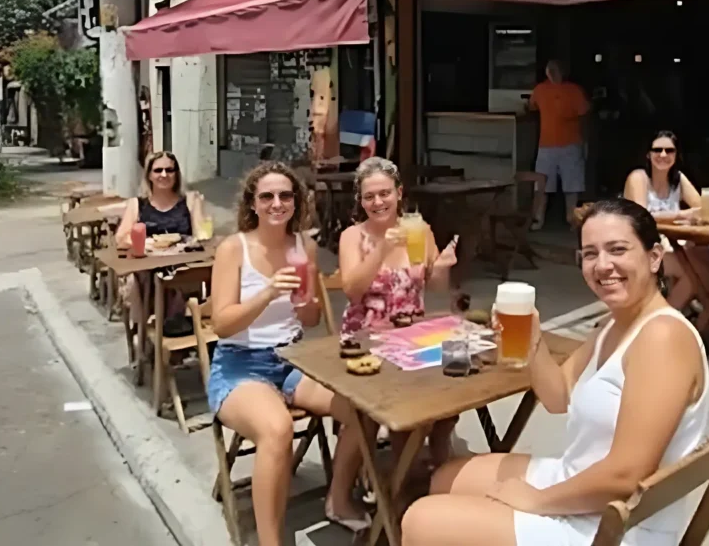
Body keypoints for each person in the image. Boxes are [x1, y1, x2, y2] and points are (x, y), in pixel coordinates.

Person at [402, 198, 709, 546]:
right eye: (590, 254)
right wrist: (532, 339)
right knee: (446, 478)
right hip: (581, 482)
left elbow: (626, 476)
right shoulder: (614, 324)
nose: (602, 265)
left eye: (617, 250)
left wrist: (537, 501)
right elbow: (557, 396)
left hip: (617, 525)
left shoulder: (662, 337)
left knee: (419, 522)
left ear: (654, 257)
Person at [208, 162, 368, 545]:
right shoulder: (234, 249)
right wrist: (267, 293)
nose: (277, 203)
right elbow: (222, 324)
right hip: (240, 365)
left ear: (296, 201)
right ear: (253, 203)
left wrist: (305, 302)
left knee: (362, 407)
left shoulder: (303, 247)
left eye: (285, 195)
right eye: (267, 196)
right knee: (278, 429)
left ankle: (338, 499)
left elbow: (310, 318)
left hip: (293, 358)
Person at [338, 156, 459, 467]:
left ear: (399, 193)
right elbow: (352, 290)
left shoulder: (419, 229)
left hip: (413, 339)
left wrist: (443, 267)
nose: (378, 202)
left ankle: (434, 473)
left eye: (385, 193)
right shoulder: (353, 236)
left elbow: (435, 287)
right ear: (360, 200)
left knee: (454, 394)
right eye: (369, 196)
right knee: (377, 413)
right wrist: (382, 249)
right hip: (366, 341)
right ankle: (382, 482)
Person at [623, 130, 709, 311]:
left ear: (676, 155)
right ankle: (666, 316)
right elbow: (641, 217)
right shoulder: (638, 178)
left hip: (674, 244)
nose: (663, 155)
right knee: (697, 272)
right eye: (657, 150)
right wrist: (681, 215)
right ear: (648, 154)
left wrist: (697, 214)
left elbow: (703, 209)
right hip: (643, 249)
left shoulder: (678, 179)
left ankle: (702, 317)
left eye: (669, 151)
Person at [529, 60, 590, 229]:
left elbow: (585, 116)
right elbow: (531, 107)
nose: (553, 73)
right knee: (541, 186)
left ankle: (572, 220)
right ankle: (538, 219)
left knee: (572, 187)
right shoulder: (540, 89)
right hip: (546, 145)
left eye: (556, 70)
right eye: (551, 70)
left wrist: (585, 142)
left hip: (571, 145)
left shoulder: (574, 90)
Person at [115, 150, 206, 244]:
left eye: (169, 170)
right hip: (148, 252)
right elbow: (121, 238)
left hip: (183, 252)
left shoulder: (191, 200)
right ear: (149, 175)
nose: (164, 175)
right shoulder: (136, 204)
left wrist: (198, 205)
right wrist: (148, 243)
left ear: (176, 174)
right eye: (158, 170)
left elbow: (202, 236)